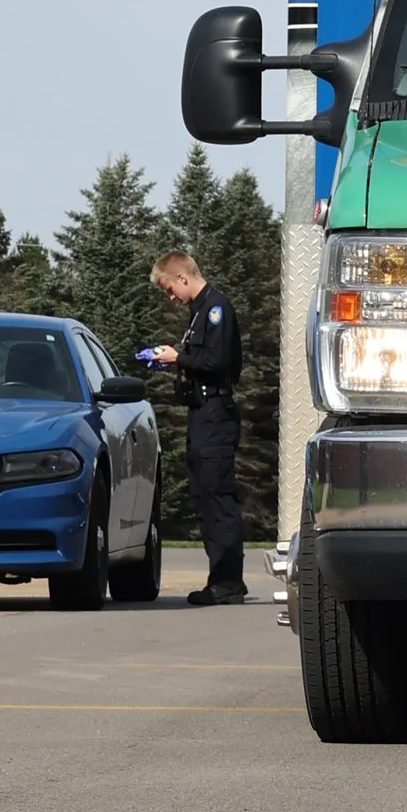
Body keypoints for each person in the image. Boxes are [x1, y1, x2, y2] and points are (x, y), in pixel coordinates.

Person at [146, 248, 248, 606]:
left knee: (218, 496)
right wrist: (174, 360)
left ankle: (228, 581)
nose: (170, 297)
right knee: (203, 496)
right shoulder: (199, 313)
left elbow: (217, 360)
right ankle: (219, 578)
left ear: (183, 277)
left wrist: (179, 357)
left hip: (216, 413)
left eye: (170, 289)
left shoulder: (216, 309)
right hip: (201, 414)